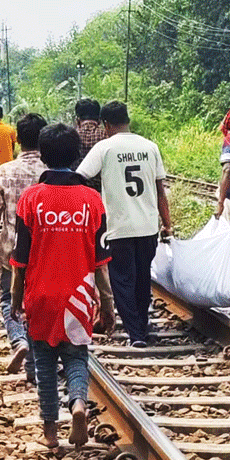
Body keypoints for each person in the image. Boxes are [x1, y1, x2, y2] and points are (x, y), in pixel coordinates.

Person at [10, 123, 113, 449]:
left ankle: (51, 432)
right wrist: (108, 305)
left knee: (43, 363)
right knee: (76, 357)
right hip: (79, 296)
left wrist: (15, 297)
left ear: (42, 155)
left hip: (40, 295)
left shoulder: (31, 200)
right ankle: (79, 405)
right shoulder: (92, 200)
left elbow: (19, 258)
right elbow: (100, 261)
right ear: (77, 154)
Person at [77, 101, 172, 347]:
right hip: (148, 226)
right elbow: (161, 191)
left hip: (118, 227)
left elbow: (81, 176)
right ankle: (141, 324)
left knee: (122, 280)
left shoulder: (104, 148)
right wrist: (167, 224)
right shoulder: (150, 147)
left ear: (106, 124)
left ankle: (136, 333)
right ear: (127, 119)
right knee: (142, 278)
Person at [0, 113, 48, 382]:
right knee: (40, 304)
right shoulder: (50, 172)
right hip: (46, 252)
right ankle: (37, 359)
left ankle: (19, 340)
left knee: (10, 300)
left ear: (17, 139)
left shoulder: (5, 171)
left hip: (12, 251)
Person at [71, 98, 105, 192]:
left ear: (77, 120)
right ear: (99, 120)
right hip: (101, 193)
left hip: (76, 191)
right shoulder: (106, 137)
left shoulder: (70, 136)